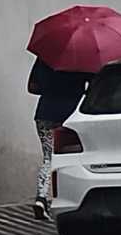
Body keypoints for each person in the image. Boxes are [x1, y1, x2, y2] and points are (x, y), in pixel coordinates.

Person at [28, 56, 95, 214]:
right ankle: (70, 198)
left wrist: (50, 87)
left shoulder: (45, 57)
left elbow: (32, 87)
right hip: (70, 116)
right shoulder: (83, 59)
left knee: (48, 157)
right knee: (72, 158)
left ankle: (41, 197)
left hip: (45, 114)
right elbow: (93, 87)